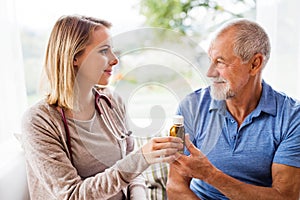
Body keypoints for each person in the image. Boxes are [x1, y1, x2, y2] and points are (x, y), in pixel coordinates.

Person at [21, 15, 183, 200]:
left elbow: (134, 175)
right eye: (104, 51)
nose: (114, 60)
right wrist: (140, 158)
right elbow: (72, 195)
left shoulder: (112, 102)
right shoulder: (39, 121)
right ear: (74, 57)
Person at [166, 19, 300, 199]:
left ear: (255, 64)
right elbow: (175, 187)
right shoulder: (192, 107)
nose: (210, 73)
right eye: (210, 61)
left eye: (220, 62)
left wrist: (211, 175)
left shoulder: (291, 117)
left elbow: (285, 197)